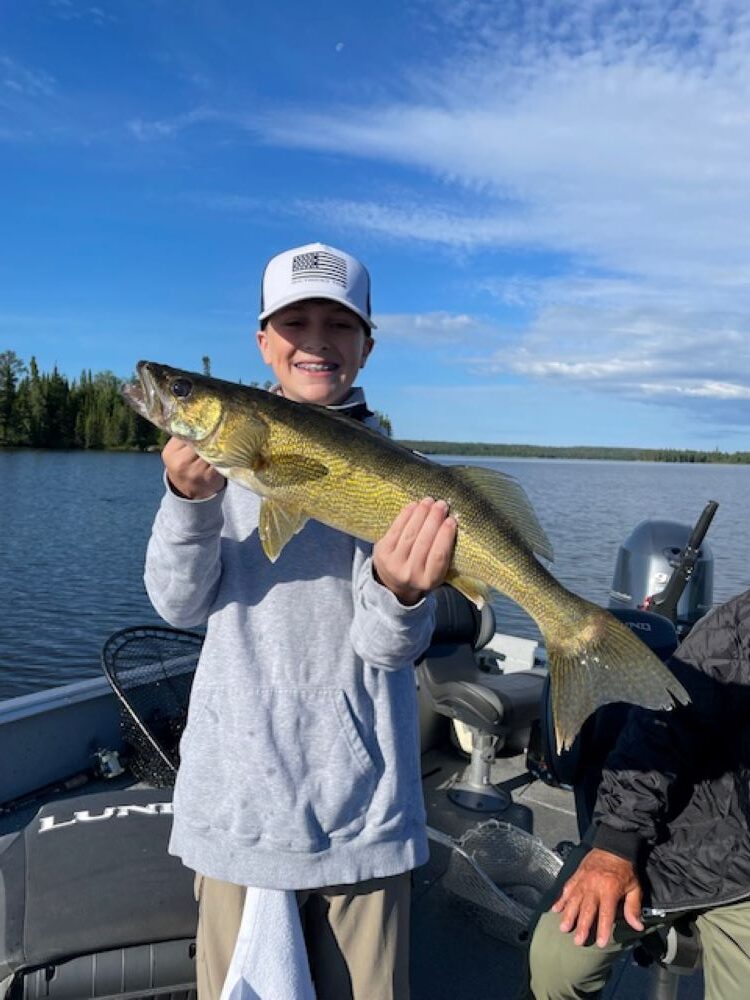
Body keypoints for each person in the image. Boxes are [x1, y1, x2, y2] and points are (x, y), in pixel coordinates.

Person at [143, 241, 457, 1000]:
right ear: (263, 342)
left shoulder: (400, 479)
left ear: (366, 346)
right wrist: (191, 504)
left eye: (338, 324)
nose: (315, 339)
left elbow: (387, 649)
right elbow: (177, 605)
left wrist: (399, 590)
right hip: (238, 812)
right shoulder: (226, 466)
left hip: (364, 822)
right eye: (294, 321)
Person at [527, 589, 750, 999]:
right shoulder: (741, 624)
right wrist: (616, 844)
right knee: (557, 960)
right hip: (677, 836)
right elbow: (659, 726)